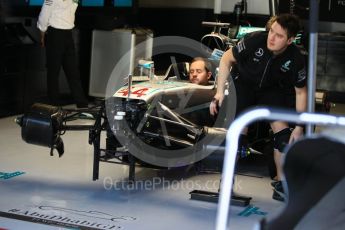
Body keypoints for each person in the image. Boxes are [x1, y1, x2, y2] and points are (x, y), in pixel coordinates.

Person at [210, 14, 307, 201]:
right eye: (272, 31)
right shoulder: (255, 40)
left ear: (290, 40)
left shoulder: (296, 58)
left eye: (279, 36)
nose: (272, 37)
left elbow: (301, 92)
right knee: (237, 137)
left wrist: (300, 126)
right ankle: (226, 183)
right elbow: (226, 60)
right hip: (244, 86)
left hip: (271, 92)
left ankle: (282, 185)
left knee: (284, 139)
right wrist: (220, 92)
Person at [37, 0, 89, 108]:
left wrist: (42, 32)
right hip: (68, 36)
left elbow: (44, 15)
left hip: (55, 35)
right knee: (72, 72)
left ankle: (54, 106)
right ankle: (82, 104)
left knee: (53, 73)